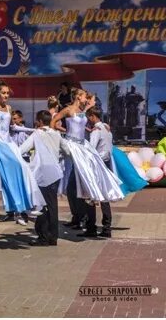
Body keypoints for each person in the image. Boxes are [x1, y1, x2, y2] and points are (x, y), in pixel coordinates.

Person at [51, 89, 124, 231]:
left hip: (83, 145)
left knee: (93, 176)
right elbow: (54, 121)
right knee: (80, 180)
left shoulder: (82, 109)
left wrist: (95, 128)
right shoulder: (68, 110)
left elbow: (84, 119)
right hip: (73, 146)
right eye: (85, 96)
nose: (87, 99)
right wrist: (60, 134)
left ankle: (87, 220)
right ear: (78, 97)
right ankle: (84, 220)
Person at [0, 80, 44, 226]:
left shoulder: (9, 108)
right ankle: (18, 210)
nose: (6, 96)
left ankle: (26, 207)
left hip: (9, 144)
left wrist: (33, 130)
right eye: (3, 93)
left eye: (7, 93)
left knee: (23, 169)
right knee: (8, 178)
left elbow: (13, 128)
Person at [20, 111, 67, 246]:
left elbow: (22, 149)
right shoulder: (56, 134)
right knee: (52, 205)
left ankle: (44, 236)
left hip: (42, 173)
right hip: (55, 173)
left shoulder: (37, 134)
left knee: (42, 206)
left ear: (40, 121)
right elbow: (67, 150)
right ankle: (53, 236)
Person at [79, 107, 114, 238]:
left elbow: (91, 148)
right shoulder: (106, 128)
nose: (88, 121)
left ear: (93, 116)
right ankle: (107, 227)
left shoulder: (96, 131)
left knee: (90, 195)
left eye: (89, 118)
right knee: (105, 197)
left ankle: (91, 227)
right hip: (106, 163)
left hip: (96, 165)